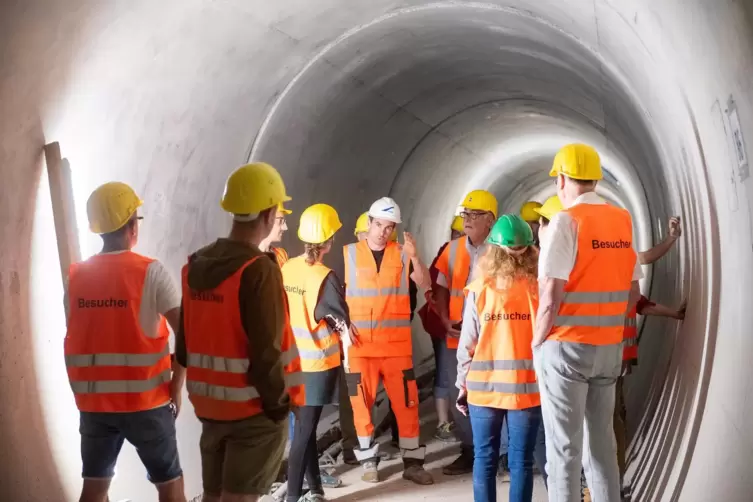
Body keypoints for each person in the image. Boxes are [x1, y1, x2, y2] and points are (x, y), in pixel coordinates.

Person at [176, 162, 304, 502]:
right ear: (268, 212)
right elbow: (266, 352)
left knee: (213, 496)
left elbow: (185, 347)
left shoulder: (194, 264)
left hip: (210, 409)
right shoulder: (258, 270)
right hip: (253, 412)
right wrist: (280, 406)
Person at [64, 182, 187, 502]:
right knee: (170, 486)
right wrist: (177, 386)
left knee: (94, 488)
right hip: (147, 404)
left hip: (94, 407)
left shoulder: (76, 277)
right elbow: (186, 334)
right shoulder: (152, 272)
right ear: (133, 226)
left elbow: (80, 332)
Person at [533, 144, 642, 502]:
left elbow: (551, 292)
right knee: (602, 446)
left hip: (567, 345)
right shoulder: (622, 219)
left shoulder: (566, 220)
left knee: (564, 451)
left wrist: (538, 340)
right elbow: (631, 293)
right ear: (595, 180)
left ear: (562, 179)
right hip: (609, 347)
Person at [343, 196, 433, 485]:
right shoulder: (349, 255)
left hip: (396, 348)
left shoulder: (403, 254)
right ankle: (369, 462)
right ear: (369, 223)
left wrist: (416, 255)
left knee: (407, 406)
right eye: (380, 225)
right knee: (361, 407)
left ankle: (413, 463)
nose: (383, 231)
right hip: (361, 348)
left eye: (389, 227)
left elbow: (425, 283)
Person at [455, 214, 542, 502]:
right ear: (529, 250)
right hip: (525, 390)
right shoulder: (538, 291)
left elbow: (467, 343)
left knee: (485, 459)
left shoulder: (480, 290)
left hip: (483, 388)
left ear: (492, 249)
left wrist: (462, 385)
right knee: (521, 462)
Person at [283, 204, 357, 502]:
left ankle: (315, 489)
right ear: (328, 241)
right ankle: (292, 497)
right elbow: (341, 320)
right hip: (315, 364)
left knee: (305, 427)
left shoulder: (288, 268)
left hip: (290, 362)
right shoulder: (325, 277)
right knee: (303, 433)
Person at [433, 189, 499, 475]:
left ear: (491, 221)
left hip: (493, 338)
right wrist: (445, 319)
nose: (468, 220)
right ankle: (469, 450)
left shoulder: (501, 251)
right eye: (465, 215)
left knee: (494, 393)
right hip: (456, 335)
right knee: (459, 393)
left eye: (475, 215)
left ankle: (499, 452)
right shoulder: (453, 249)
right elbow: (439, 288)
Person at [419, 216, 465, 442]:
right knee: (446, 374)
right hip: (444, 324)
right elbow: (435, 288)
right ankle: (443, 422)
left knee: (450, 373)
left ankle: (452, 422)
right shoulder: (449, 253)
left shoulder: (457, 252)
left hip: (454, 324)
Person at [259, 203, 293, 267]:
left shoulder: (281, 255)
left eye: (284, 221)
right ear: (266, 220)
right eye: (280, 221)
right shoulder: (248, 260)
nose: (285, 227)